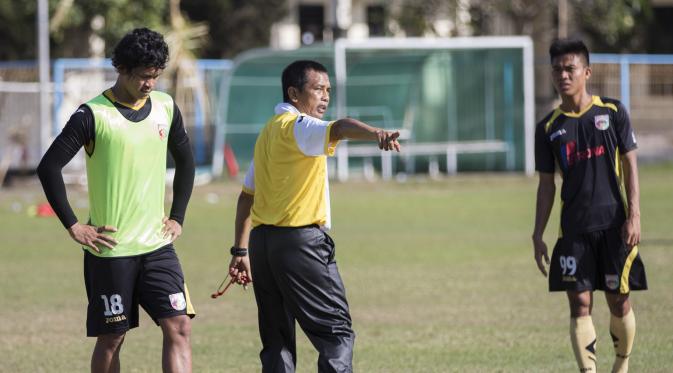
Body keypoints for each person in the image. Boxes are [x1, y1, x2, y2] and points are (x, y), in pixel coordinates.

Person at [37, 28, 195, 373]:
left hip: (157, 245)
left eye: (155, 76)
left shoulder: (166, 107)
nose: (150, 83)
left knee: (179, 325)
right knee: (113, 337)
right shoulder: (92, 114)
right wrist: (74, 225)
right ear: (122, 69)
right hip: (111, 249)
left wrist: (177, 215)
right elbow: (49, 167)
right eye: (143, 76)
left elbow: (186, 161)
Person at [227, 60, 400, 372]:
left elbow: (246, 197)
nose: (325, 97)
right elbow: (340, 128)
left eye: (328, 90)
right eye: (318, 89)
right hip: (299, 243)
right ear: (294, 93)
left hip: (263, 246)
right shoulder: (299, 127)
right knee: (336, 333)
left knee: (277, 340)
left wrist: (240, 250)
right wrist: (376, 133)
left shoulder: (268, 133)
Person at [532, 39, 647, 373]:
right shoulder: (548, 128)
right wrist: (538, 233)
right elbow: (545, 185)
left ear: (586, 72)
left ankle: (621, 364)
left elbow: (630, 164)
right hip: (574, 230)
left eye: (570, 68)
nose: (563, 75)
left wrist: (635, 215)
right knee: (579, 303)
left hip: (614, 225)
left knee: (618, 299)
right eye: (557, 69)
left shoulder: (612, 113)